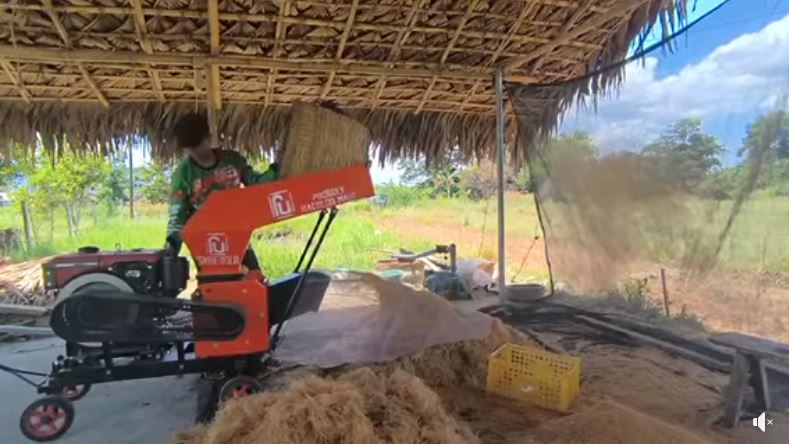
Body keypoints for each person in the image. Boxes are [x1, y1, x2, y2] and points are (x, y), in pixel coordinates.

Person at [164, 113, 280, 270]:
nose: (197, 153)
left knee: (254, 278)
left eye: (199, 145)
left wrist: (275, 170)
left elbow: (256, 183)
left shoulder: (232, 160)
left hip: (236, 232)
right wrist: (170, 251)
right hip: (204, 240)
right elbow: (178, 217)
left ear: (208, 138)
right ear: (185, 149)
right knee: (213, 285)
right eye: (192, 149)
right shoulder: (183, 175)